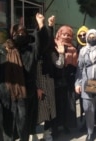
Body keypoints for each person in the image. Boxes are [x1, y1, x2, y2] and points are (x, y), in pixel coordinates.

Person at [75, 4, 96, 141]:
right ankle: (90, 132)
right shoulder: (83, 51)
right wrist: (77, 83)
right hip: (86, 85)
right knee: (88, 110)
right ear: (87, 37)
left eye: (94, 35)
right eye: (90, 35)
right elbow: (80, 68)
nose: (92, 37)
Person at [35, 13, 65, 141]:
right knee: (37, 111)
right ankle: (34, 134)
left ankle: (47, 133)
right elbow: (30, 72)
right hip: (37, 85)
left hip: (50, 82)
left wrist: (61, 54)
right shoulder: (34, 53)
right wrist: (36, 87)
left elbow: (59, 64)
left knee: (49, 109)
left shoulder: (50, 53)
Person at [0, 39, 27, 141]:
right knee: (10, 125)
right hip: (12, 93)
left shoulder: (14, 55)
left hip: (13, 94)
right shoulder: (13, 55)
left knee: (11, 125)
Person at [52, 25, 78, 138]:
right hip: (56, 81)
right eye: (64, 34)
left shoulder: (73, 48)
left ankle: (65, 125)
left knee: (67, 105)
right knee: (57, 105)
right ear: (59, 34)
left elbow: (75, 65)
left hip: (68, 81)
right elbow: (56, 64)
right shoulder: (54, 46)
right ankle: (56, 127)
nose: (66, 36)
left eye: (68, 35)